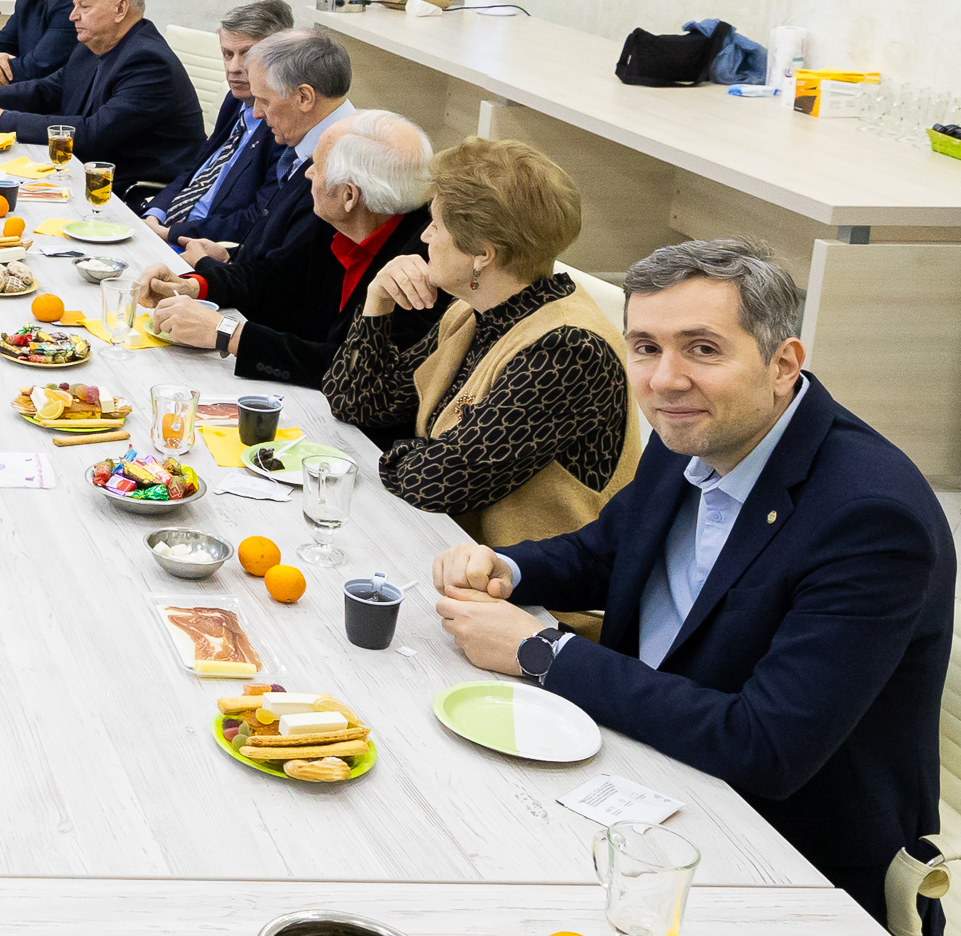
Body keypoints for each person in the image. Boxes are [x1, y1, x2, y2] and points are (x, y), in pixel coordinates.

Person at [430, 239, 951, 929]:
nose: (665, 380)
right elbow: (610, 550)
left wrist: (544, 652)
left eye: (702, 349)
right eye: (645, 348)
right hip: (641, 772)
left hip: (781, 859)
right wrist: (509, 567)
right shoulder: (698, 429)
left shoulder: (871, 518)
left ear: (783, 364)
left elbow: (766, 746)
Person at [323, 136, 637, 541]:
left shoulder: (569, 351)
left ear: (483, 254)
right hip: (453, 551)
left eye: (437, 226)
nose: (425, 237)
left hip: (530, 579)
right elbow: (357, 403)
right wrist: (377, 301)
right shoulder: (474, 313)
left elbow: (437, 482)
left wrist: (406, 453)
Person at [135, 109, 436, 388]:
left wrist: (228, 334)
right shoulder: (341, 220)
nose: (308, 174)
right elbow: (271, 278)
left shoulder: (419, 269)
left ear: (349, 196)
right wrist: (193, 286)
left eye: (318, 166)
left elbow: (351, 370)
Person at [0, 0, 204, 191]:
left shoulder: (148, 62)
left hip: (132, 191)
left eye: (84, 6)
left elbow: (94, 134)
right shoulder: (93, 45)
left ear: (120, 9)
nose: (73, 16)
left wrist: (2, 119)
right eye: (74, 6)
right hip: (83, 173)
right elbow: (47, 89)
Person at [174, 26, 356, 274]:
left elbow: (288, 284)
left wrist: (209, 268)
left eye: (264, 101)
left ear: (304, 97)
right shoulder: (306, 146)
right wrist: (231, 257)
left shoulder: (338, 169)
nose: (257, 113)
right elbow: (283, 255)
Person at [143, 0, 294, 247]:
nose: (233, 68)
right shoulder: (234, 100)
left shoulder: (284, 126)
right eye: (227, 54)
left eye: (247, 55)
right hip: (166, 228)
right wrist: (155, 213)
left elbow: (255, 219)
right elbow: (197, 168)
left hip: (204, 245)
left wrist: (170, 233)